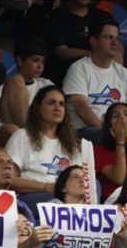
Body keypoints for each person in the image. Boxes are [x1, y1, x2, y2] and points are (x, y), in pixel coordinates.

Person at [5, 85, 83, 214]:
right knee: (56, 201)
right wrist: (47, 187)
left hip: (69, 198)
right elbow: (9, 179)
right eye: (51, 103)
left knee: (94, 184)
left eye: (61, 104)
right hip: (35, 196)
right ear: (38, 108)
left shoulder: (73, 144)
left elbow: (81, 178)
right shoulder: (22, 136)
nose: (57, 107)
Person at [63, 20, 127, 142]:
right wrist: (108, 134)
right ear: (94, 41)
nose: (115, 42)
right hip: (85, 131)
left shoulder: (126, 74)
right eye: (108, 37)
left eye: (117, 38)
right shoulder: (79, 68)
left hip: (117, 133)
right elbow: (81, 108)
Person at [43, 0, 116, 85]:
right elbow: (61, 52)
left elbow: (117, 44)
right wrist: (95, 55)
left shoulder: (103, 16)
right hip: (69, 71)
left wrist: (118, 68)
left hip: (103, 70)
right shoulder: (56, 17)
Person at [0, 36, 53, 128]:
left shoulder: (47, 85)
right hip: (16, 134)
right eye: (35, 60)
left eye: (43, 62)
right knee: (16, 80)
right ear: (20, 61)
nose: (40, 66)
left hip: (44, 132)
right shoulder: (5, 88)